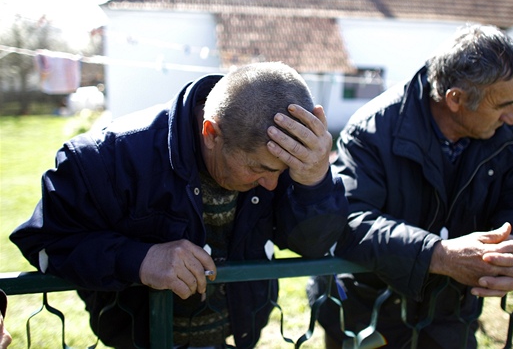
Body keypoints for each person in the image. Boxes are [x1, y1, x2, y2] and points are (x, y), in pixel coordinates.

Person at [10, 62, 348, 348]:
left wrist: (313, 182)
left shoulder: (282, 151)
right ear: (211, 133)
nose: (272, 183)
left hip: (239, 335)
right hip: (142, 340)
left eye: (281, 172)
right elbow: (45, 242)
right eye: (258, 169)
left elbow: (313, 244)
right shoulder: (104, 158)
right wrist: (139, 259)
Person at [307, 24, 513, 348]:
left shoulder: (506, 133)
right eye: (502, 105)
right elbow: (348, 220)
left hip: (450, 316)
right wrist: (439, 256)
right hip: (367, 313)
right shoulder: (371, 130)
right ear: (456, 99)